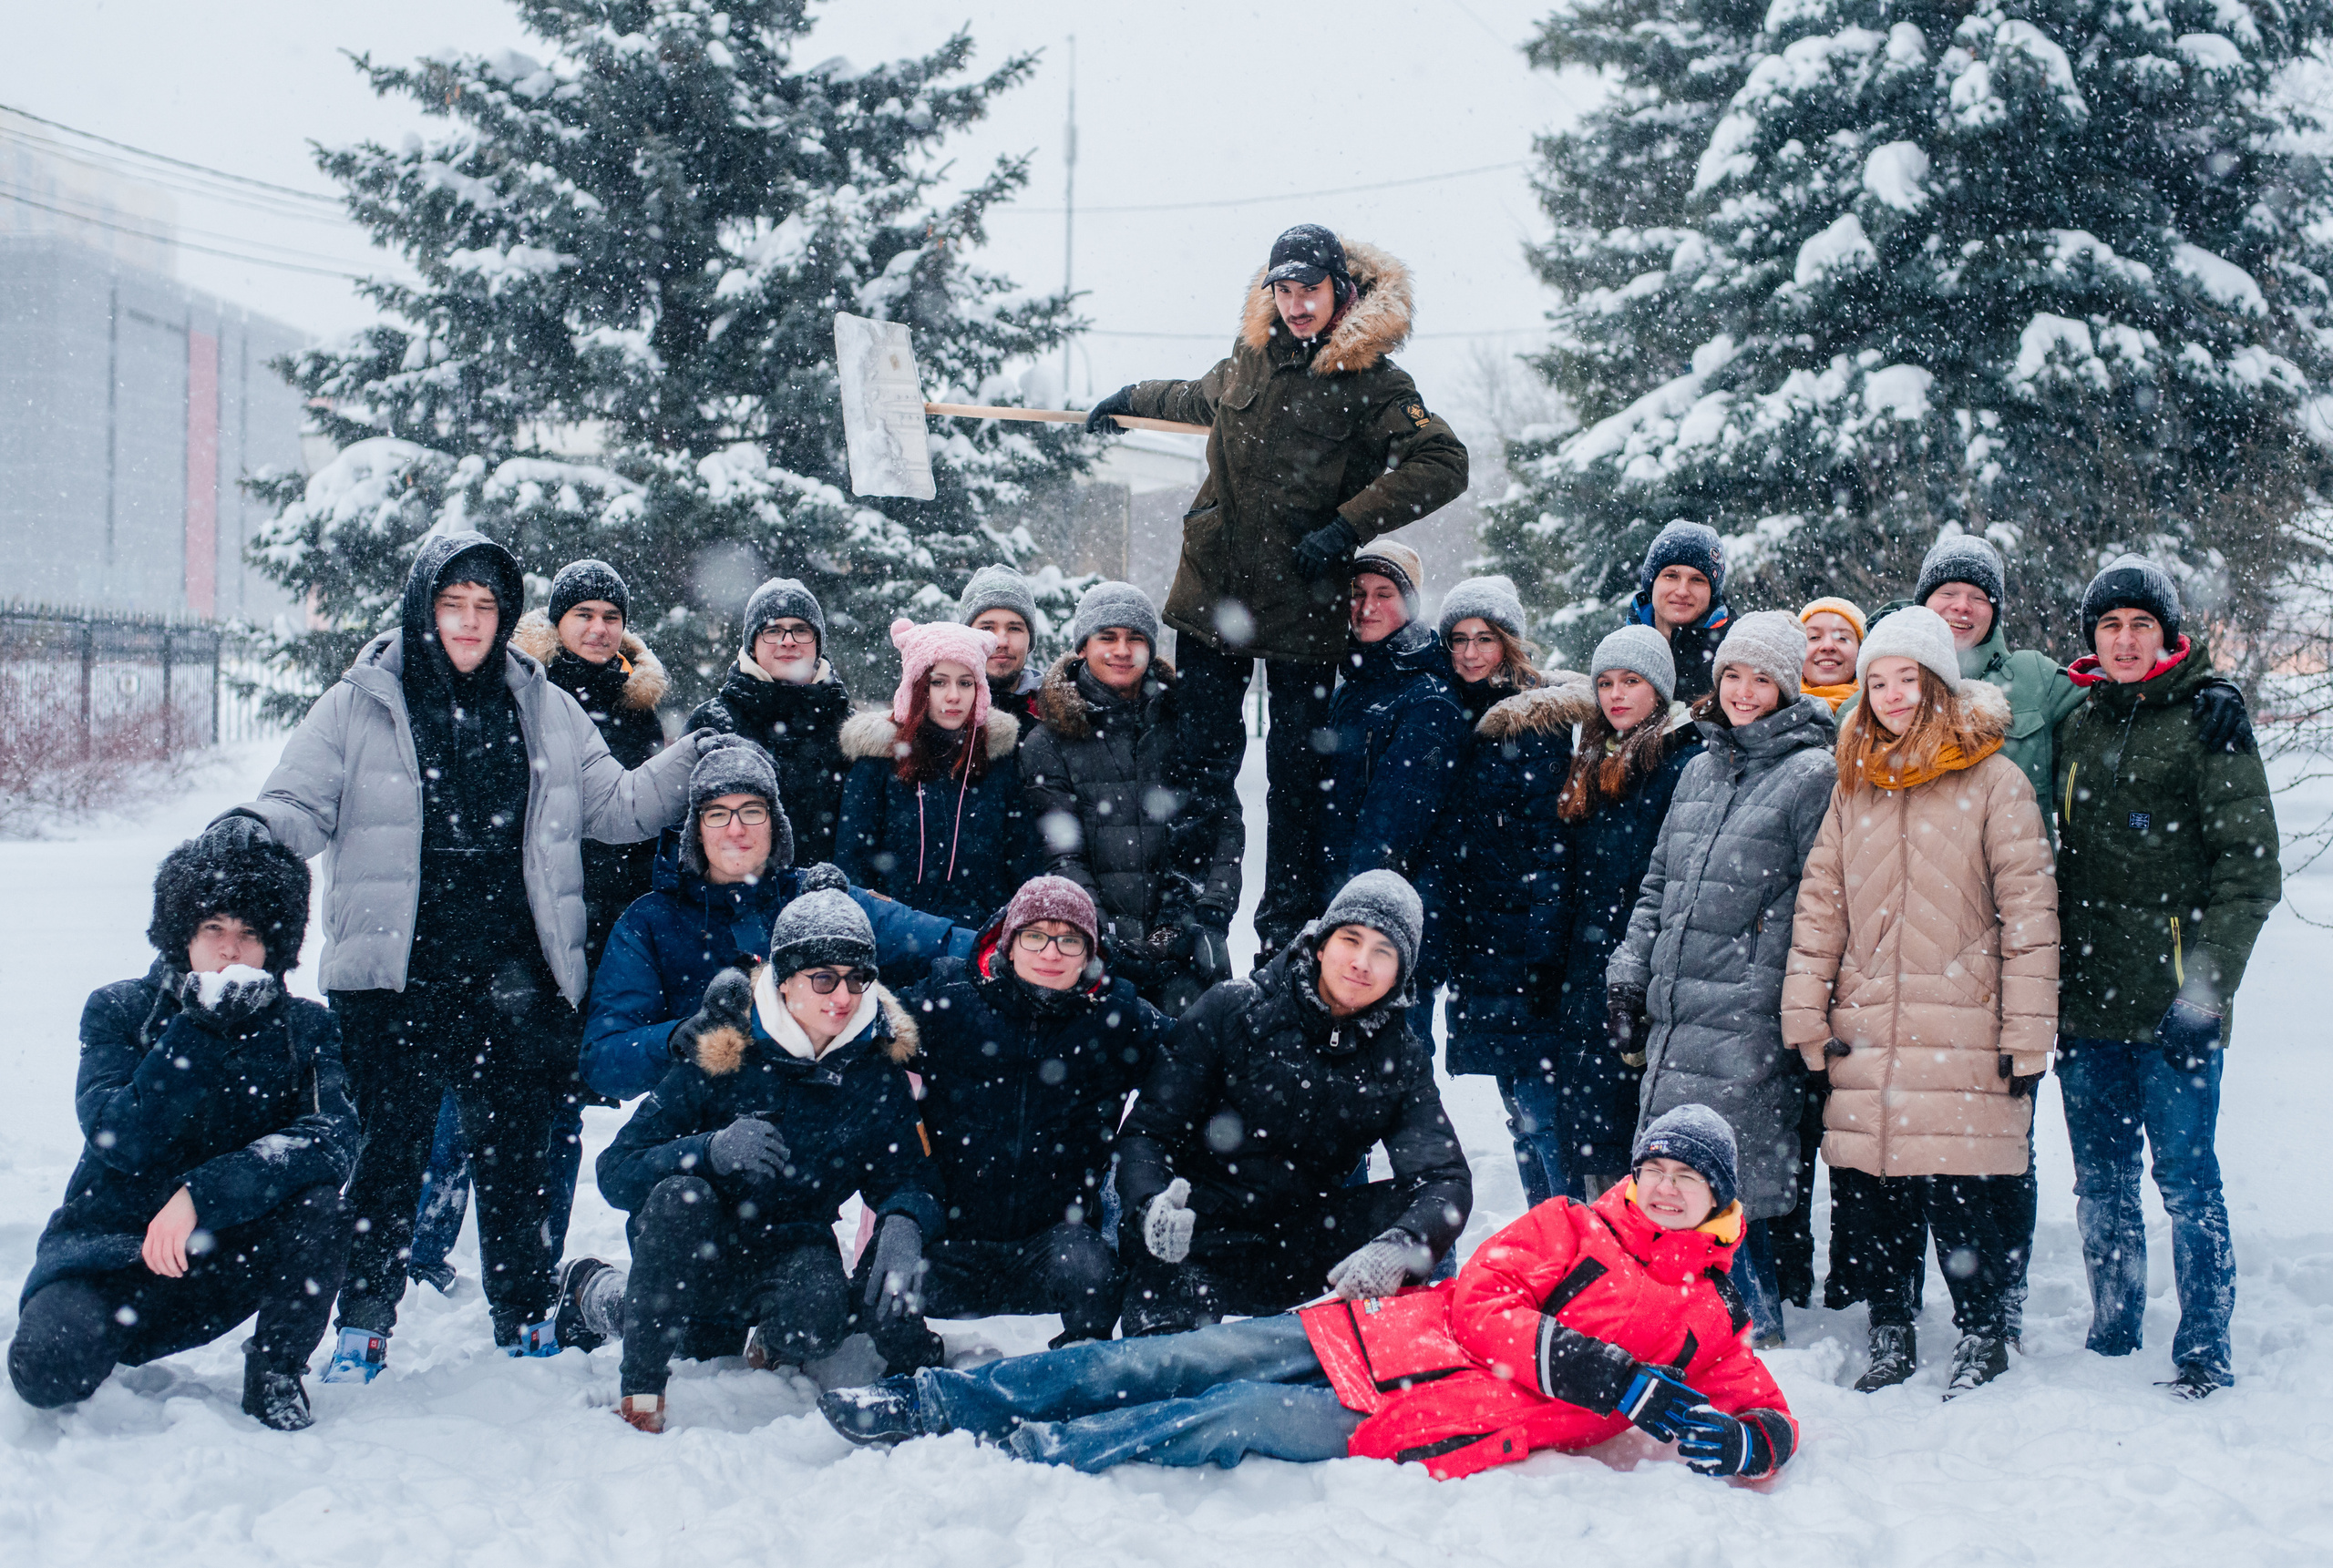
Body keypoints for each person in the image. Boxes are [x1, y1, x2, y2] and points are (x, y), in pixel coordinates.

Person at [218, 531, 705, 1378]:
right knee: (387, 1153)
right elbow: (298, 801)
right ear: (424, 609)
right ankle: (365, 1319)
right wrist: (252, 830)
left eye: (486, 607)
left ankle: (520, 1313)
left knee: (514, 1154)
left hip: (512, 973)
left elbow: (623, 806)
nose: (471, 622)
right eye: (454, 605)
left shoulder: (543, 704)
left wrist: (700, 749)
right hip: (393, 973)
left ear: (507, 617)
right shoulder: (361, 702)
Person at [818, 1105, 1796, 1485]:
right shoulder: (1573, 1226)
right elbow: (1481, 1303)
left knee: (1217, 1416)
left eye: (1688, 1173)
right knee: (1164, 1355)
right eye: (1655, 1165)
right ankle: (940, 1403)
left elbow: (1763, 1408)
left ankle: (1018, 1450)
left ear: (1719, 1194)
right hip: (1367, 1336)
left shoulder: (1708, 1314)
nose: (1666, 1185)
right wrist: (1611, 1375)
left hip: (1422, 1420)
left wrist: (1744, 1440)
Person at [1086, 224, 1469, 953]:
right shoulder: (1249, 359)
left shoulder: (1375, 383)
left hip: (1303, 610)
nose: (1296, 306)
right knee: (1200, 767)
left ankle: (1284, 935)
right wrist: (1129, 398)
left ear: (1341, 292)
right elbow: (1197, 398)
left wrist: (1348, 525)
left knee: (1296, 785)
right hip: (1212, 595)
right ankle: (1192, 922)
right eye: (1284, 292)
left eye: (1310, 291)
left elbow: (1445, 462)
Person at [555, 870, 946, 1433]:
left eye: (858, 978)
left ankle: (765, 1332)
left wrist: (906, 1219)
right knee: (676, 1294)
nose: (843, 996)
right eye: (823, 978)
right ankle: (600, 1297)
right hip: (692, 1243)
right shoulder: (726, 1047)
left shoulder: (873, 1067)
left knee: (817, 1325)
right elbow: (616, 1171)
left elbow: (907, 1175)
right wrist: (710, 1151)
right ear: (783, 981)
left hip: (791, 1245)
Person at [1783, 606, 2059, 1397]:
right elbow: (1820, 904)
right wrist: (1806, 1011)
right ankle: (1891, 1327)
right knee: (1876, 1193)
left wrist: (2026, 1032)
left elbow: (2031, 916)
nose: (1894, 695)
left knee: (1965, 1191)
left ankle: (1980, 1332)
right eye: (1879, 681)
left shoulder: (1995, 780)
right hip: (1868, 1023)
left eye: (1909, 679)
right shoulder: (1856, 784)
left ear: (1940, 683)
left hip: (1964, 1023)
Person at [8, 829, 355, 1430]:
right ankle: (95, 1341)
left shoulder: (306, 1028)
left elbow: (330, 1141)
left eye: (250, 933)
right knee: (46, 1370)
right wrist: (198, 1030)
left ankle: (275, 1372)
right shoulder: (118, 1009)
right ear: (184, 936)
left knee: (323, 1208)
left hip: (220, 1262)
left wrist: (201, 1193)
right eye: (215, 929)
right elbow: (118, 1134)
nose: (231, 951)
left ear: (274, 945)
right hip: (107, 1253)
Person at [408, 558, 673, 1294]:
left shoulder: (639, 713)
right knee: (464, 1101)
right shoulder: (519, 692)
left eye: (610, 616)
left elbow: (641, 823)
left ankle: (538, 1258)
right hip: (512, 930)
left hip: (595, 938)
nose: (597, 628)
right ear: (555, 624)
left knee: (557, 1108)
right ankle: (421, 1247)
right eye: (582, 614)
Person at [2052, 557, 2280, 1399]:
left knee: (2186, 1181)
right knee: (2101, 1180)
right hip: (2087, 1007)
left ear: (2168, 635)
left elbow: (2250, 874)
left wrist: (2206, 990)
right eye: (2109, 626)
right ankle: (2113, 1328)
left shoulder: (2209, 721)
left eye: (2140, 625)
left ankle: (2204, 1345)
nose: (2123, 640)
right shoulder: (2078, 721)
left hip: (2176, 1007)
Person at [1608, 611, 1835, 1346]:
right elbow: (1657, 884)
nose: (1742, 690)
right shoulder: (1701, 769)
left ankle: (1754, 1327)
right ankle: (1684, 1328)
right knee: (1674, 1174)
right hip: (1676, 1010)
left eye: (1760, 677)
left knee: (1736, 1178)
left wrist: (1771, 990)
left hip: (1747, 1010)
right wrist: (1629, 973)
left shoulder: (1812, 773)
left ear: (1786, 685)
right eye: (1732, 674)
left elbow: (1822, 900)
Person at [1112, 871, 1472, 1336]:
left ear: (1401, 974)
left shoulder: (1400, 1057)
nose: (1362, 962)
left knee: (1420, 1220)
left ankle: (1416, 1358)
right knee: (1161, 1373)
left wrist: (1398, 1246)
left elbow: (1444, 1178)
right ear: (1321, 944)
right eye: (1351, 939)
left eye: (1383, 952)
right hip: (1197, 1238)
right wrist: (1150, 1207)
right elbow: (1146, 1134)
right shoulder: (1231, 1008)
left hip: (1299, 1244)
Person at [580, 738, 971, 1102]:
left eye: (752, 810)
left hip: (830, 1122)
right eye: (717, 813)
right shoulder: (649, 922)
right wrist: (678, 1037)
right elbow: (604, 1061)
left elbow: (946, 943)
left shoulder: (820, 899)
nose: (736, 828)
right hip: (712, 1135)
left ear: (775, 824)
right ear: (695, 831)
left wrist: (1018, 942)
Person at [903, 876, 1171, 1346]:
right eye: (1035, 936)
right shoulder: (950, 998)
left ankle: (1073, 1373)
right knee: (876, 1289)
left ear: (1089, 953)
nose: (1051, 953)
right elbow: (862, 1029)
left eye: (1070, 940)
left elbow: (1200, 1056)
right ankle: (917, 1364)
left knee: (1098, 1276)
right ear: (1009, 944)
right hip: (948, 1242)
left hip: (1055, 1245)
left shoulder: (1117, 1015)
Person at [1424, 576, 1580, 1204]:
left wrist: (1542, 948)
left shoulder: (1529, 722)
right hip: (1478, 944)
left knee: (1543, 1113)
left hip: (1520, 944)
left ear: (1508, 643)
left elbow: (1549, 841)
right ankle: (1551, 1236)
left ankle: (1574, 1242)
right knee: (1520, 1112)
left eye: (1483, 639)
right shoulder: (1451, 711)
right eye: (1457, 639)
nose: (1468, 652)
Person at [1020, 581, 1243, 1012]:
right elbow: (1062, 854)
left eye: (1135, 638)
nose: (1123, 650)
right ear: (1082, 647)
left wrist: (1204, 915)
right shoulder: (1049, 741)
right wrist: (1103, 935)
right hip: (1093, 954)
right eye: (1108, 637)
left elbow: (1224, 825)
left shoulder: (1184, 722)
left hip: (1185, 943)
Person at [1542, 626, 1702, 1202]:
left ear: (1659, 689)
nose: (1616, 695)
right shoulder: (1593, 759)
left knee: (1643, 1145)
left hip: (1645, 974)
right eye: (1605, 683)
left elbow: (1671, 882)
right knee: (1590, 1144)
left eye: (1631, 682)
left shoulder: (1684, 763)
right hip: (1589, 971)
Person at [836, 618, 1027, 925]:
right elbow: (852, 866)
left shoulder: (998, 764)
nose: (954, 696)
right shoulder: (877, 765)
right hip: (897, 942)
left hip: (980, 944)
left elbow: (1022, 860)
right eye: (939, 682)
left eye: (965, 683)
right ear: (916, 687)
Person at [1316, 541, 1468, 907]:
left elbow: (1390, 832)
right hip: (1332, 902)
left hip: (1380, 913)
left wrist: (1350, 915)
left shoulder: (1429, 700)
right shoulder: (1349, 691)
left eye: (1384, 594)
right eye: (1357, 593)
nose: (1366, 607)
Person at [688, 577, 854, 866]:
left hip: (830, 900)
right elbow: (684, 832)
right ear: (752, 643)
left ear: (818, 644)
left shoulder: (850, 730)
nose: (788, 641)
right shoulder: (712, 722)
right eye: (773, 630)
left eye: (801, 630)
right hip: (735, 901)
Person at [1625, 521, 1733, 702]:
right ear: (1651, 583)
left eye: (1697, 580)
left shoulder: (1735, 655)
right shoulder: (1623, 648)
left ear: (1711, 593)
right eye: (1671, 576)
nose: (1683, 591)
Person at [958, 563, 1046, 738]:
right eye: (987, 628)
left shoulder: (1057, 719)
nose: (1001, 642)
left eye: (1014, 628)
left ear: (1030, 642)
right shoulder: (937, 714)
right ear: (965, 637)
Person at [1797, 596, 1865, 711]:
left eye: (1842, 638)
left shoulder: (1883, 709)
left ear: (1861, 649)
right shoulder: (1768, 707)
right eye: (1814, 637)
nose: (1827, 646)